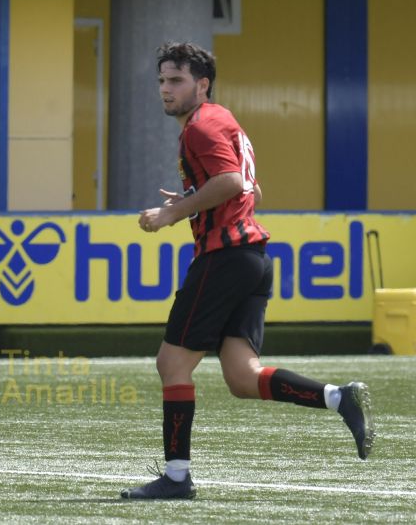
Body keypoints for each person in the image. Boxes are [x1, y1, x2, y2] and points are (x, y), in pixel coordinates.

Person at [120, 42, 374, 500]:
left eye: (175, 80)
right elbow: (245, 191)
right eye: (161, 80)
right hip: (252, 260)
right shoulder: (222, 121)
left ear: (202, 84)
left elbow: (233, 183)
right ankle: (340, 397)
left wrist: (173, 215)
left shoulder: (200, 126)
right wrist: (191, 201)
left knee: (172, 363)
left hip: (226, 259)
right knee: (242, 376)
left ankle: (177, 478)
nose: (165, 89)